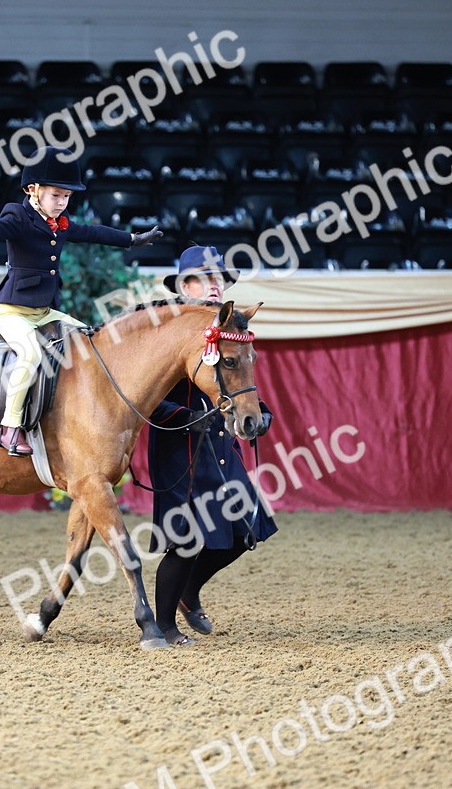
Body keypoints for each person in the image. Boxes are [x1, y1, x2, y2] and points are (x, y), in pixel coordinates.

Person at [0, 145, 162, 456]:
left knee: (92, 339)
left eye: (66, 197)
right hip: (13, 313)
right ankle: (10, 428)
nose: (62, 202)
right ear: (33, 190)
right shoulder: (18, 216)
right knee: (28, 355)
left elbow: (93, 232)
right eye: (56, 195)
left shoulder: (61, 222)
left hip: (45, 312)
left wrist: (132, 240)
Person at [147, 245, 277, 646]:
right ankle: (165, 626)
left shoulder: (230, 332)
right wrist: (186, 418)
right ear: (185, 285)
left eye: (219, 279)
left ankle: (189, 592)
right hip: (179, 446)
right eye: (205, 279)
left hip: (220, 446)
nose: (216, 285)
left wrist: (262, 414)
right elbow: (148, 396)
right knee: (185, 539)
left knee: (245, 532)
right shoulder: (166, 330)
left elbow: (239, 386)